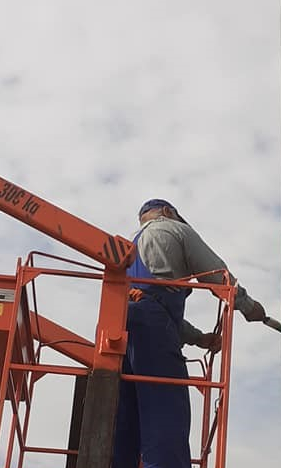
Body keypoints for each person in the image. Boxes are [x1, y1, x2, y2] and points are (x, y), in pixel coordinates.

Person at [112, 199, 266, 468]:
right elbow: (216, 274)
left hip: (120, 329)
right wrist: (248, 306)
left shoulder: (129, 245)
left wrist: (199, 338)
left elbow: (148, 303)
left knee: (128, 417)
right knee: (166, 410)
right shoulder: (174, 229)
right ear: (169, 212)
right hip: (153, 328)